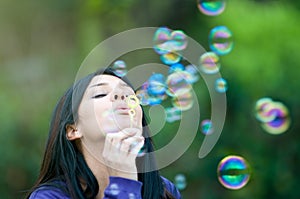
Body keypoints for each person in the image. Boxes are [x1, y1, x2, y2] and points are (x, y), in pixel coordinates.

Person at [25, 67, 181, 199]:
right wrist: (123, 183)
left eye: (129, 95)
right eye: (100, 94)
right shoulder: (50, 196)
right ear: (73, 130)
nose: (121, 96)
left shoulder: (164, 191)